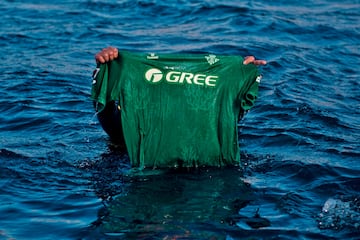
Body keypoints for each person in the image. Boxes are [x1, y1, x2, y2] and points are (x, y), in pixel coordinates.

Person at [92, 47, 267, 168]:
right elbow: (108, 118)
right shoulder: (130, 131)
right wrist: (105, 75)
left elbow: (227, 116)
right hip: (157, 181)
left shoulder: (206, 128)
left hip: (199, 180)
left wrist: (239, 82)